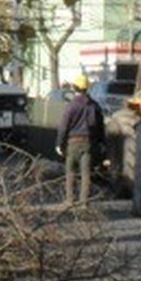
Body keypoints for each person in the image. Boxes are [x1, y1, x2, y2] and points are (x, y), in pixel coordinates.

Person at [56, 73, 105, 205]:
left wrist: (59, 144)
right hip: (88, 143)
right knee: (86, 174)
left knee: (70, 172)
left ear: (74, 88)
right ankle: (84, 202)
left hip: (72, 143)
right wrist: (101, 142)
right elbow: (100, 127)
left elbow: (64, 126)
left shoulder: (71, 106)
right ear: (87, 88)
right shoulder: (94, 106)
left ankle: (70, 201)